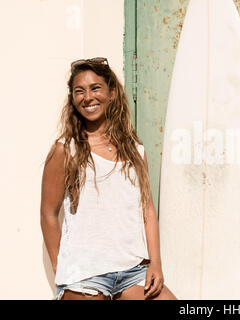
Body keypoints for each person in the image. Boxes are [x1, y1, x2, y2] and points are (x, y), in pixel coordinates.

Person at [40, 57, 176, 300]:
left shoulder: (135, 150)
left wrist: (155, 263)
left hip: (133, 271)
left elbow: (147, 210)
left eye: (95, 88)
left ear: (112, 93)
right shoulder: (65, 150)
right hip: (85, 275)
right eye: (79, 91)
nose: (87, 97)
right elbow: (48, 214)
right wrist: (62, 269)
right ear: (73, 99)